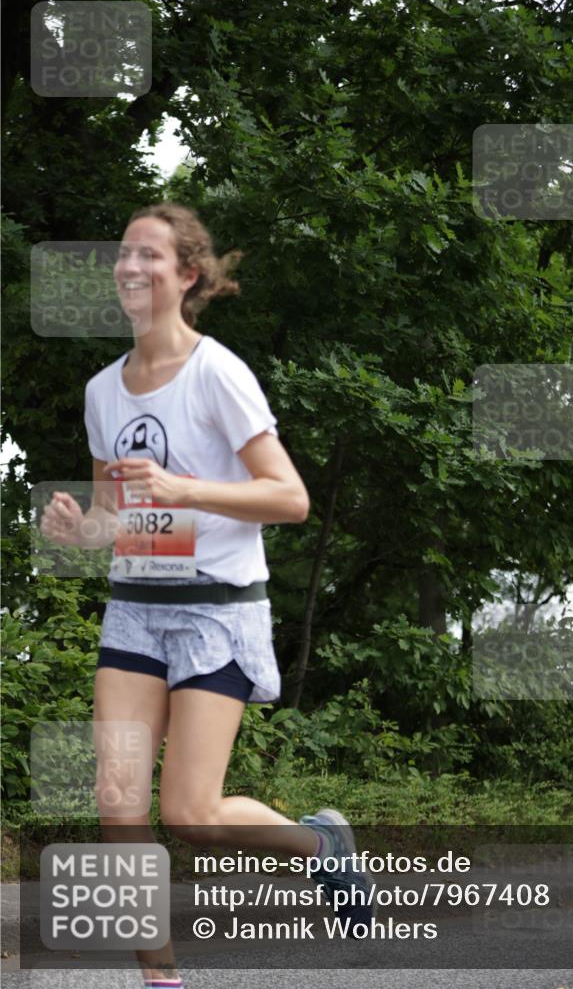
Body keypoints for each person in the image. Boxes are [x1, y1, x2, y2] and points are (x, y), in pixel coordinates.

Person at [40, 202, 373, 987]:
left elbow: (289, 498)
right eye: (123, 254)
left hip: (214, 612)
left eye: (149, 255)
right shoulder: (102, 392)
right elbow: (114, 516)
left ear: (187, 275)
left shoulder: (217, 373)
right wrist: (81, 531)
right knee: (118, 802)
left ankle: (320, 844)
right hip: (135, 608)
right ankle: (161, 981)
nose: (129, 266)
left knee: (191, 814)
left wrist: (183, 488)